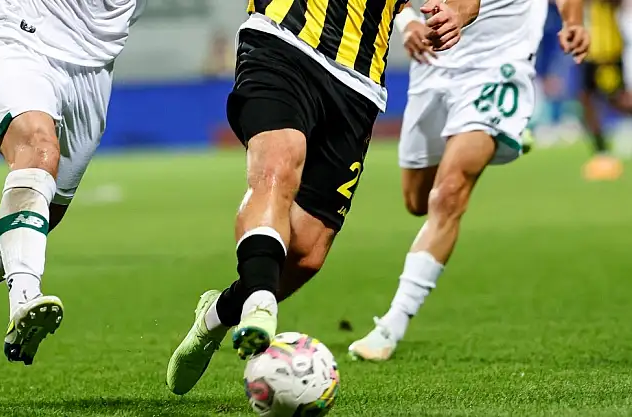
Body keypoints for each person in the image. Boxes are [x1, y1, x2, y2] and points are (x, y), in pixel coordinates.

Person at [165, 0, 480, 396]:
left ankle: (216, 317)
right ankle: (261, 302)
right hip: (281, 41)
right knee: (277, 167)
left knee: (307, 252)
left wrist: (456, 14)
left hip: (358, 84)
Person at [0, 0, 145, 390]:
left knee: (40, 218)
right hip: (22, 37)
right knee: (38, 149)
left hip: (93, 68)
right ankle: (24, 297)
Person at [347, 0, 589, 361]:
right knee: (417, 201)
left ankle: (391, 325)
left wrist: (573, 21)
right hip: (434, 63)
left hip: (496, 67)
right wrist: (408, 21)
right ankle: (504, 131)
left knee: (448, 195)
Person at [579, 0, 627, 181]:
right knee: (586, 100)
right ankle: (601, 151)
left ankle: (602, 151)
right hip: (588, 51)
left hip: (606, 50)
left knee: (618, 100)